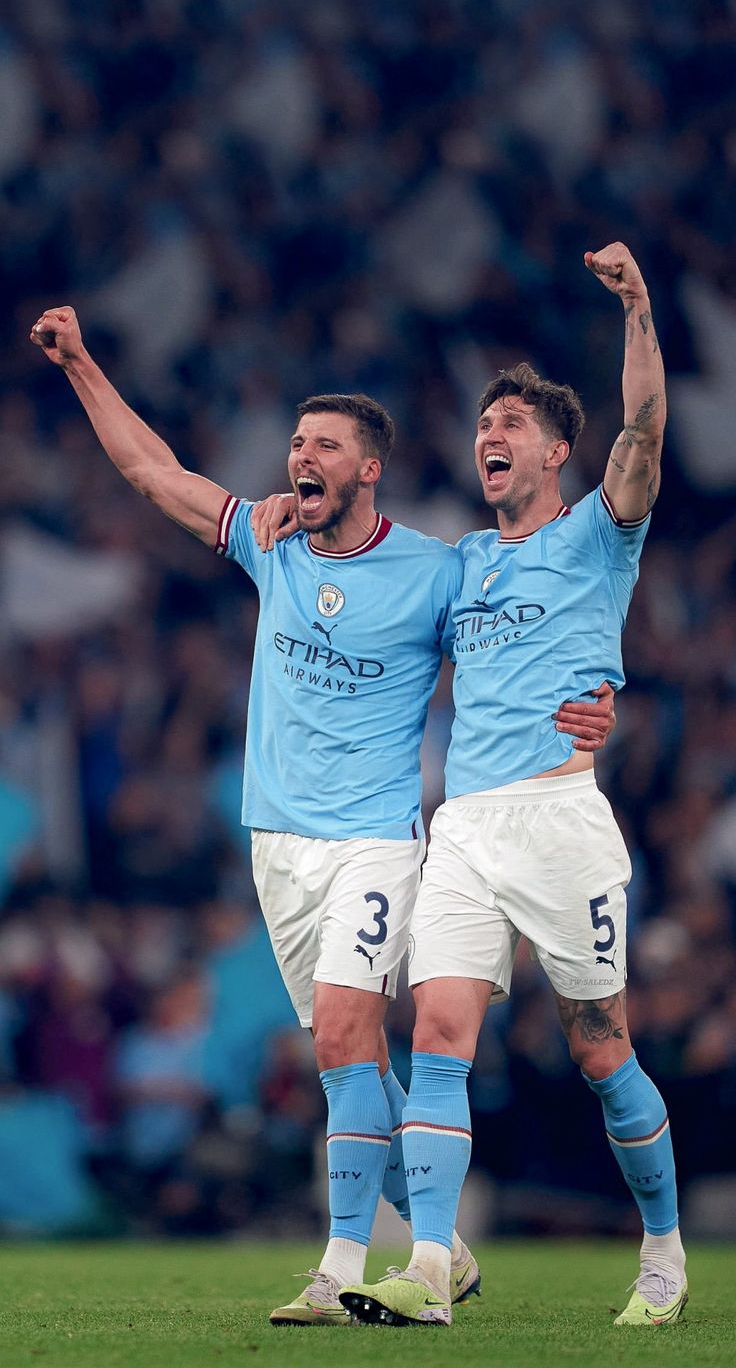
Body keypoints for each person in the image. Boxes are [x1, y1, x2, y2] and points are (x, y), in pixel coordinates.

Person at [30, 306, 613, 1324]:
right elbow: (151, 474)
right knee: (349, 1062)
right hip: (278, 847)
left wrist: (592, 698)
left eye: (323, 445)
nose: (301, 455)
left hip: (375, 842)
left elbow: (534, 606)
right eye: (297, 442)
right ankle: (447, 1247)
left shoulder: (436, 569)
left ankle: (340, 1268)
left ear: (368, 469)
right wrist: (80, 362)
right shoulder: (276, 548)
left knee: (350, 1028)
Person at [335, 243, 687, 1329]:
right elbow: (373, 570)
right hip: (467, 828)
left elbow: (644, 435)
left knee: (598, 1045)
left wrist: (633, 307)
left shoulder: (595, 535)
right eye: (483, 425)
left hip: (561, 819)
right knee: (438, 1028)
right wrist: (294, 522)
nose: (489, 436)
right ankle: (432, 1268)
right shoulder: (462, 565)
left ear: (556, 451)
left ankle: (665, 1253)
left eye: (511, 426)